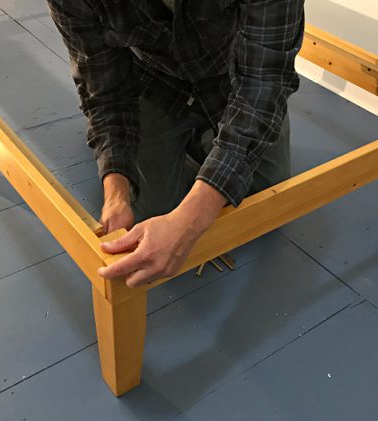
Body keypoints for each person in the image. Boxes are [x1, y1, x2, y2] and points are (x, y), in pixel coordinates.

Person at [47, 0, 305, 287]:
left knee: (267, 190)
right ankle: (196, 140)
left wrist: (189, 222)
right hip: (154, 80)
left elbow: (265, 82)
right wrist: (115, 191)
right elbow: (103, 88)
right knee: (147, 215)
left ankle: (205, 138)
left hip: (232, 76)